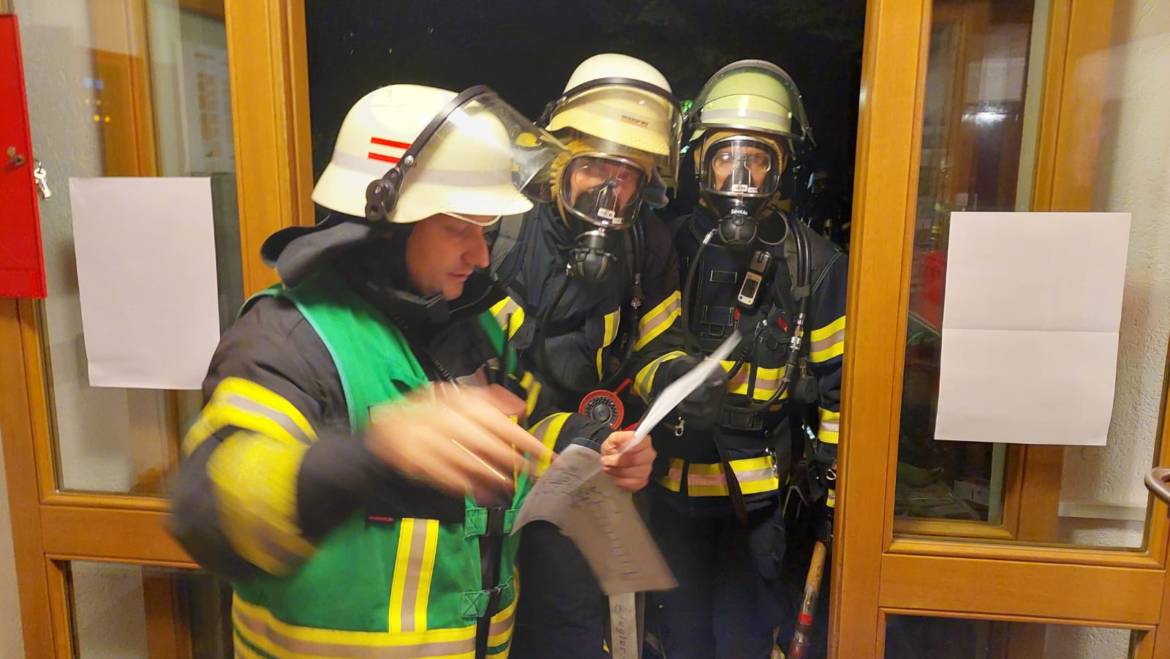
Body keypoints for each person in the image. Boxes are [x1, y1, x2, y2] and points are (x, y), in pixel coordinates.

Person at [168, 83, 655, 659]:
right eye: (459, 228)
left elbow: (513, 442)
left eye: (485, 231)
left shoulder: (474, 326)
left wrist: (584, 444)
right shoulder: (290, 337)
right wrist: (372, 456)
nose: (479, 256)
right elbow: (209, 509)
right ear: (388, 225)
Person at [492, 54, 720, 658]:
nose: (609, 191)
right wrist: (560, 431)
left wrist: (674, 379)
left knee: (574, 627)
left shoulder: (648, 242)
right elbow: (467, 371)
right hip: (493, 473)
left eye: (628, 175)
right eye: (595, 166)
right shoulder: (500, 229)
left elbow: (656, 342)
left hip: (589, 472)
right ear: (560, 161)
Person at [647, 60, 848, 658]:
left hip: (757, 507)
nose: (741, 173)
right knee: (679, 640)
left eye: (757, 157)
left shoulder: (814, 262)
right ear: (701, 164)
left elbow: (838, 386)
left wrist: (836, 484)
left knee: (742, 641)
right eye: (725, 156)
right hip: (669, 497)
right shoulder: (666, 246)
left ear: (781, 167)